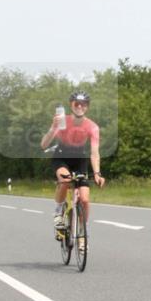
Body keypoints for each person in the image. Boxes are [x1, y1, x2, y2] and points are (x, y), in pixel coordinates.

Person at [39, 91, 106, 238]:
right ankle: (58, 212)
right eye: (77, 104)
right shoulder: (62, 122)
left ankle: (82, 232)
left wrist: (97, 173)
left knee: (85, 199)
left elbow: (95, 153)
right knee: (66, 180)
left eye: (83, 104)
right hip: (61, 156)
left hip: (79, 159)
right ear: (71, 105)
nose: (80, 106)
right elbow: (43, 145)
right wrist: (53, 127)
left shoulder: (92, 127)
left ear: (87, 107)